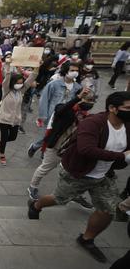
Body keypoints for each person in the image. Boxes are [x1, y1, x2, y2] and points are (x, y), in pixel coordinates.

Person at [28, 91, 130, 263]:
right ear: (113, 108)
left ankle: (87, 238)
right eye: (127, 107)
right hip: (77, 173)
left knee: (107, 209)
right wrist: (122, 156)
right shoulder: (93, 123)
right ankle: (36, 204)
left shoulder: (127, 125)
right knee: (60, 198)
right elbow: (86, 149)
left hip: (104, 175)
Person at [27, 88, 95, 200]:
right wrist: (77, 98)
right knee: (46, 167)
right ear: (78, 97)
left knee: (75, 171)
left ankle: (76, 194)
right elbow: (61, 111)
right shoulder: (64, 108)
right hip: (57, 145)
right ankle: (32, 187)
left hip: (72, 148)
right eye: (86, 99)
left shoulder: (86, 115)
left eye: (92, 100)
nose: (89, 103)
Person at [28, 61, 82, 158]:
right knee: (46, 136)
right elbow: (44, 100)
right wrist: (43, 115)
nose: (75, 72)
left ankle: (44, 153)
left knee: (57, 137)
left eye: (76, 70)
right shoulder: (54, 84)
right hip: (51, 116)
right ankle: (35, 146)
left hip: (66, 117)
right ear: (65, 71)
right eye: (72, 70)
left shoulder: (78, 87)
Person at [0, 58, 37, 165]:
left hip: (16, 119)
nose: (20, 84)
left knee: (12, 137)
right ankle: (2, 154)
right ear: (13, 83)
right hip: (4, 118)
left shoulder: (21, 91)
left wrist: (37, 67)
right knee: (4, 138)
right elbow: (7, 78)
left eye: (21, 83)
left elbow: (31, 79)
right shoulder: (6, 90)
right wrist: (8, 65)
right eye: (17, 83)